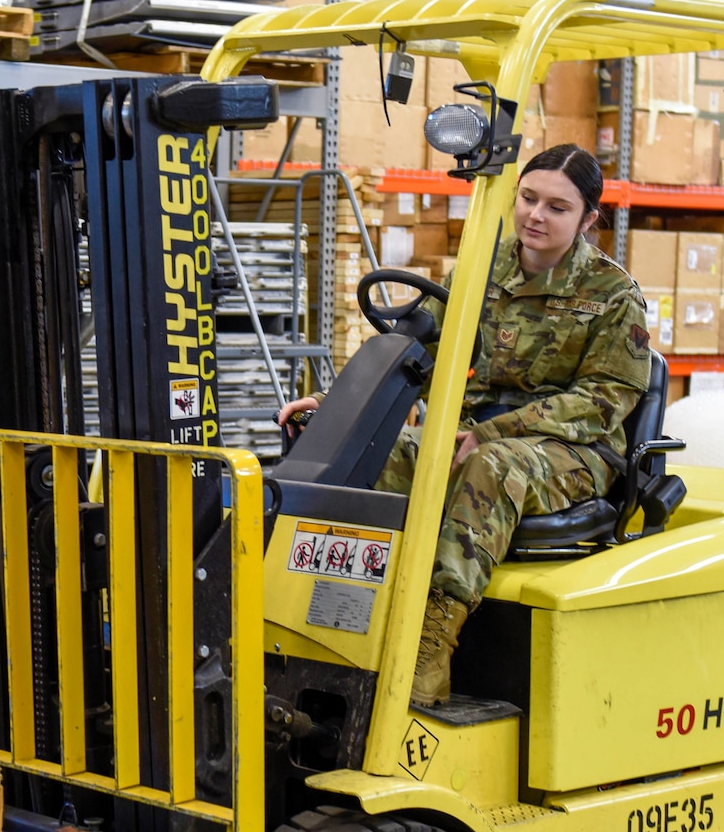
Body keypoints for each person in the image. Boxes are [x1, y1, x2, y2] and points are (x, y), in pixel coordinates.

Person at [277, 144, 651, 708]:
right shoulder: (481, 269)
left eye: (557, 206)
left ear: (588, 219)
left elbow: (604, 400)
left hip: (570, 453)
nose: (535, 215)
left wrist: (496, 433)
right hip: (470, 434)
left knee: (489, 464)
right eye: (528, 198)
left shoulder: (612, 294)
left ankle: (430, 646)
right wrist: (337, 408)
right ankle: (325, 621)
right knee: (366, 453)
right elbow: (424, 356)